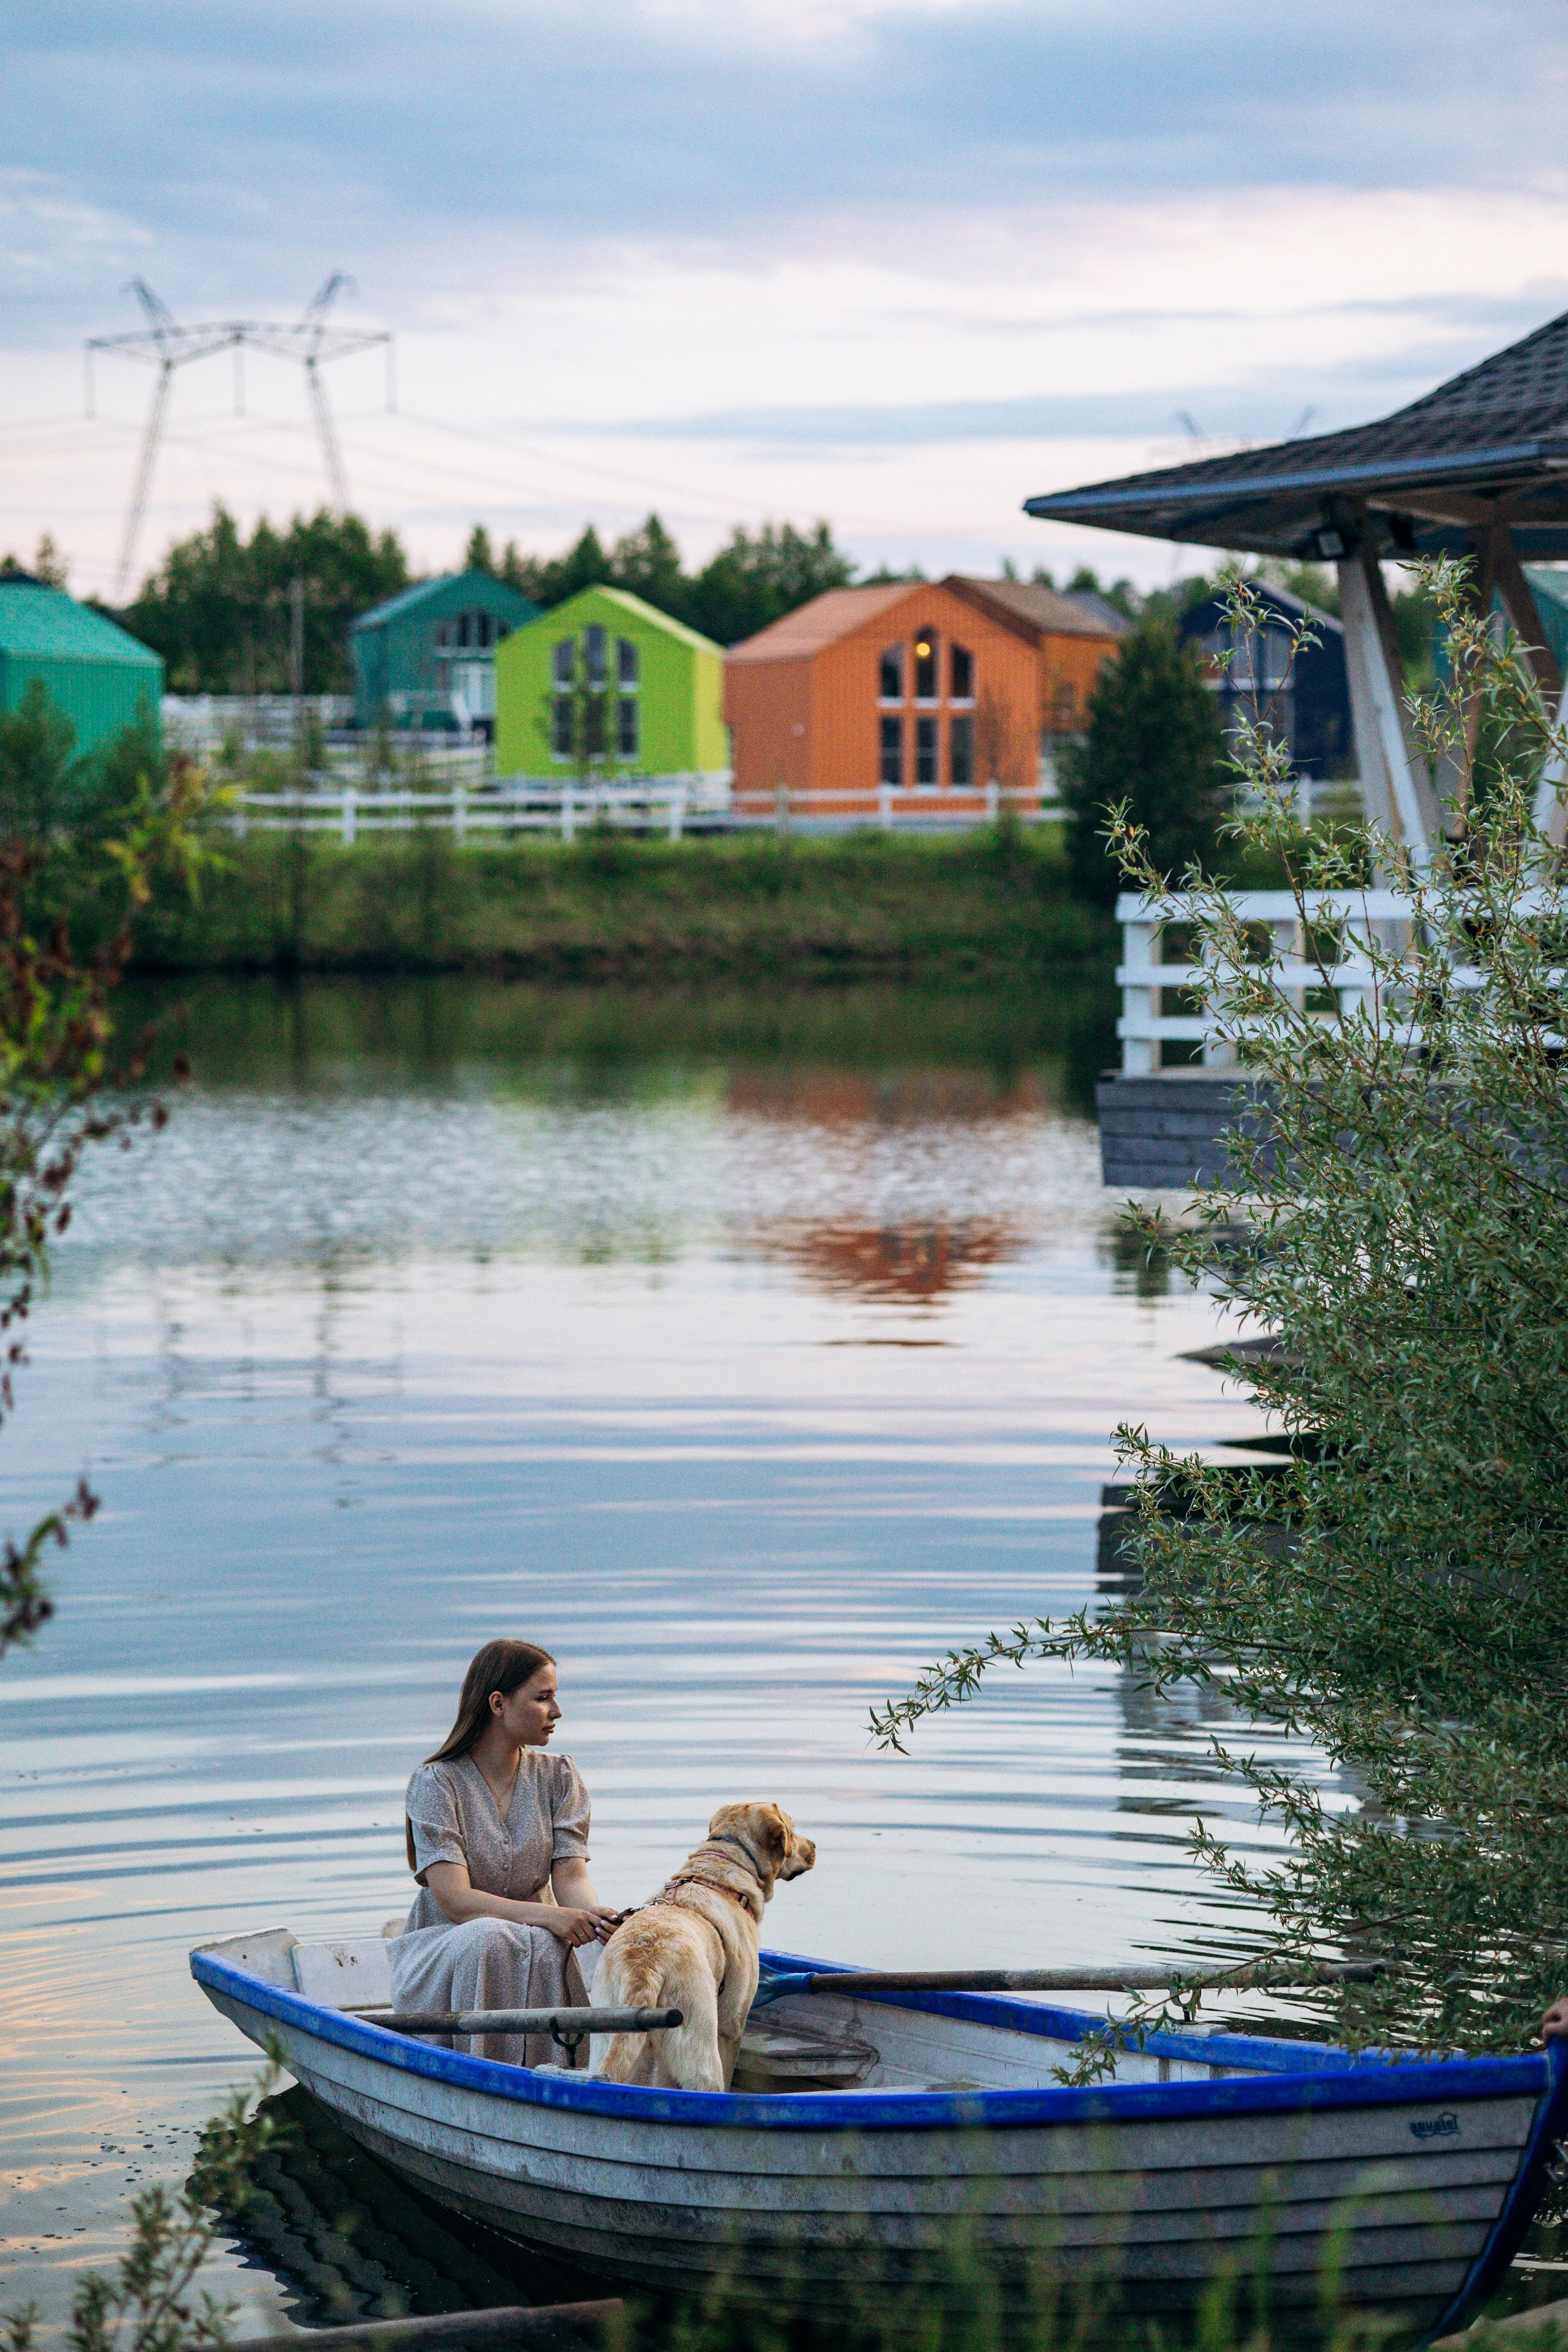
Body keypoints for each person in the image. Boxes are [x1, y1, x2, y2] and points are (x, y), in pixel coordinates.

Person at [391, 1638, 619, 2068]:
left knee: (545, 1940)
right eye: (543, 1697)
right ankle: (481, 2078)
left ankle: (554, 2077)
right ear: (498, 1703)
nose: (557, 1711)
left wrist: (595, 1916)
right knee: (492, 1936)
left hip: (532, 1945)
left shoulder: (559, 1776)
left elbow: (571, 1877)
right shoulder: (435, 1783)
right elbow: (455, 1902)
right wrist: (550, 1917)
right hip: (446, 1956)